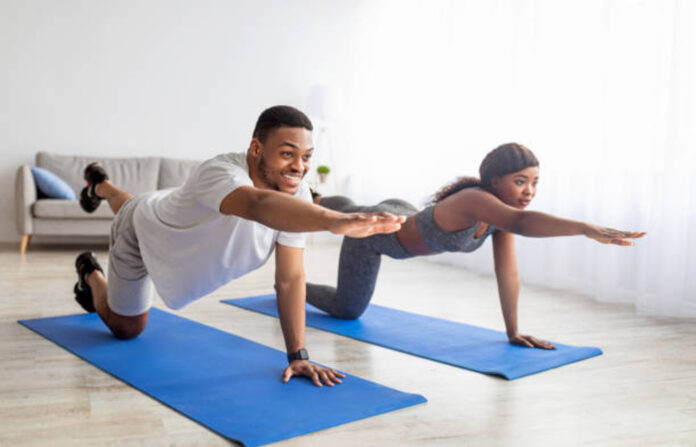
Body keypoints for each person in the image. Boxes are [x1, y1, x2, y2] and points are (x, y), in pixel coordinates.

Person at [72, 105, 405, 387]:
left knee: (139, 205)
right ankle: (90, 272)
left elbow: (289, 279)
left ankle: (100, 186)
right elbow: (257, 204)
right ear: (256, 149)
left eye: (305, 157)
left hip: (159, 213)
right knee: (127, 328)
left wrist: (298, 355)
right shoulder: (221, 172)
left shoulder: (298, 197)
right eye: (287, 154)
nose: (299, 168)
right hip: (137, 231)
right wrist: (334, 220)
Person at [307, 143, 645, 349]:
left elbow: (507, 273)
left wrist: (513, 331)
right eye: (520, 182)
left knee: (349, 207)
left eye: (534, 183)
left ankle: (316, 198)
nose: (529, 191)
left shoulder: (500, 216)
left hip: (403, 213)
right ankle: (296, 283)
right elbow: (524, 224)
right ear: (495, 181)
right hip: (375, 237)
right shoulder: (475, 199)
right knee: (347, 307)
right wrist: (585, 228)